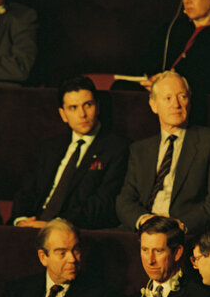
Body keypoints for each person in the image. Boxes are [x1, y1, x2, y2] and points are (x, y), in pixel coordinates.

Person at [116, 70, 210, 235]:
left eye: (182, 97)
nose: (176, 104)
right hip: (144, 232)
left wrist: (180, 225)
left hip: (185, 232)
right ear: (153, 105)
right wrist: (144, 220)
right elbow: (125, 200)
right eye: (168, 98)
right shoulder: (140, 149)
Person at [11, 75, 129, 229]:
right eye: (73, 108)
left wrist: (54, 225)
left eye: (88, 105)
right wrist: (21, 220)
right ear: (63, 114)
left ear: (98, 107)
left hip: (74, 230)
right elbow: (26, 191)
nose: (82, 114)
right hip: (33, 226)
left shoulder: (117, 148)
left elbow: (103, 203)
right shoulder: (49, 148)